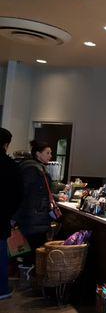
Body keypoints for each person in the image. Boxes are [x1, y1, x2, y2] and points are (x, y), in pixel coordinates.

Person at [14, 140, 53, 266]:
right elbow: (25, 193)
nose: (50, 155)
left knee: (28, 251)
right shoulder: (33, 169)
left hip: (32, 218)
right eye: (47, 153)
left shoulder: (32, 167)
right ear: (38, 154)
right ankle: (28, 279)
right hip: (34, 218)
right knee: (33, 252)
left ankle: (27, 277)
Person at [0, 128, 22, 300]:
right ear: (6, 145)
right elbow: (18, 194)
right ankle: (2, 289)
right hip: (1, 217)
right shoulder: (11, 166)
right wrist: (11, 215)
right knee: (1, 252)